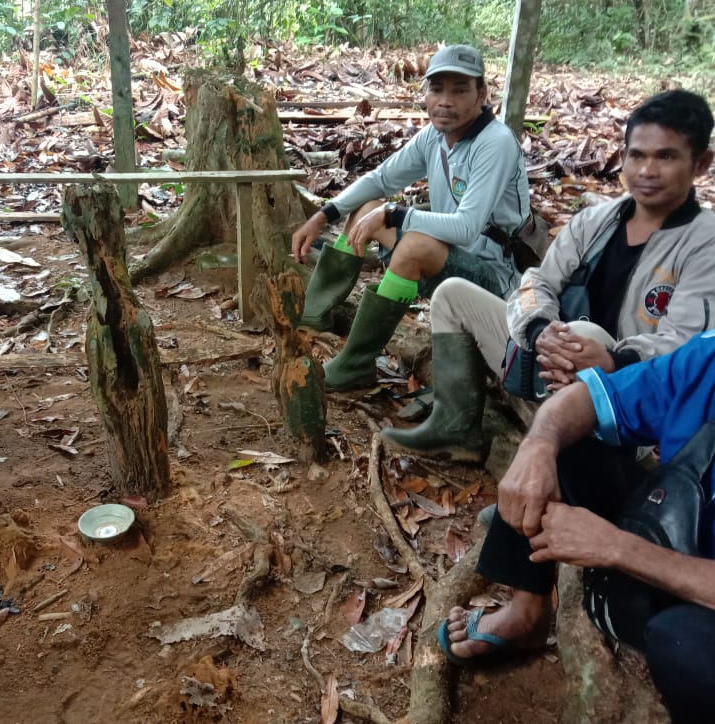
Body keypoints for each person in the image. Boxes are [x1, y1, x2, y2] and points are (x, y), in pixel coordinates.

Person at [383, 89, 715, 462]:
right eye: (637, 155)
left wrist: (614, 363)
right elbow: (536, 282)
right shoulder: (596, 220)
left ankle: (559, 475)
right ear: (623, 157)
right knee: (453, 295)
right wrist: (542, 330)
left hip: (629, 399)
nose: (647, 171)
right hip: (554, 363)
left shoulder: (706, 241)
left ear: (701, 163)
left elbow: (690, 346)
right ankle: (456, 427)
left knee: (583, 337)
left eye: (666, 156)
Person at [439, 330, 715, 723]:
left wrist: (616, 547)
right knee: (565, 444)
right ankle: (527, 614)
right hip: (682, 523)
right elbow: (593, 397)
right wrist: (539, 445)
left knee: (684, 646)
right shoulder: (708, 358)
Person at [291, 44, 530, 392]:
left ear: (482, 95)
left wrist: (395, 213)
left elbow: (466, 228)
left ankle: (356, 364)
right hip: (450, 257)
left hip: (493, 281)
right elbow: (381, 179)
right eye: (437, 89)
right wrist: (324, 215)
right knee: (365, 207)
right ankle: (314, 312)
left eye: (459, 90)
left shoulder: (496, 143)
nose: (445, 100)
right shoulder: (435, 137)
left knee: (411, 242)